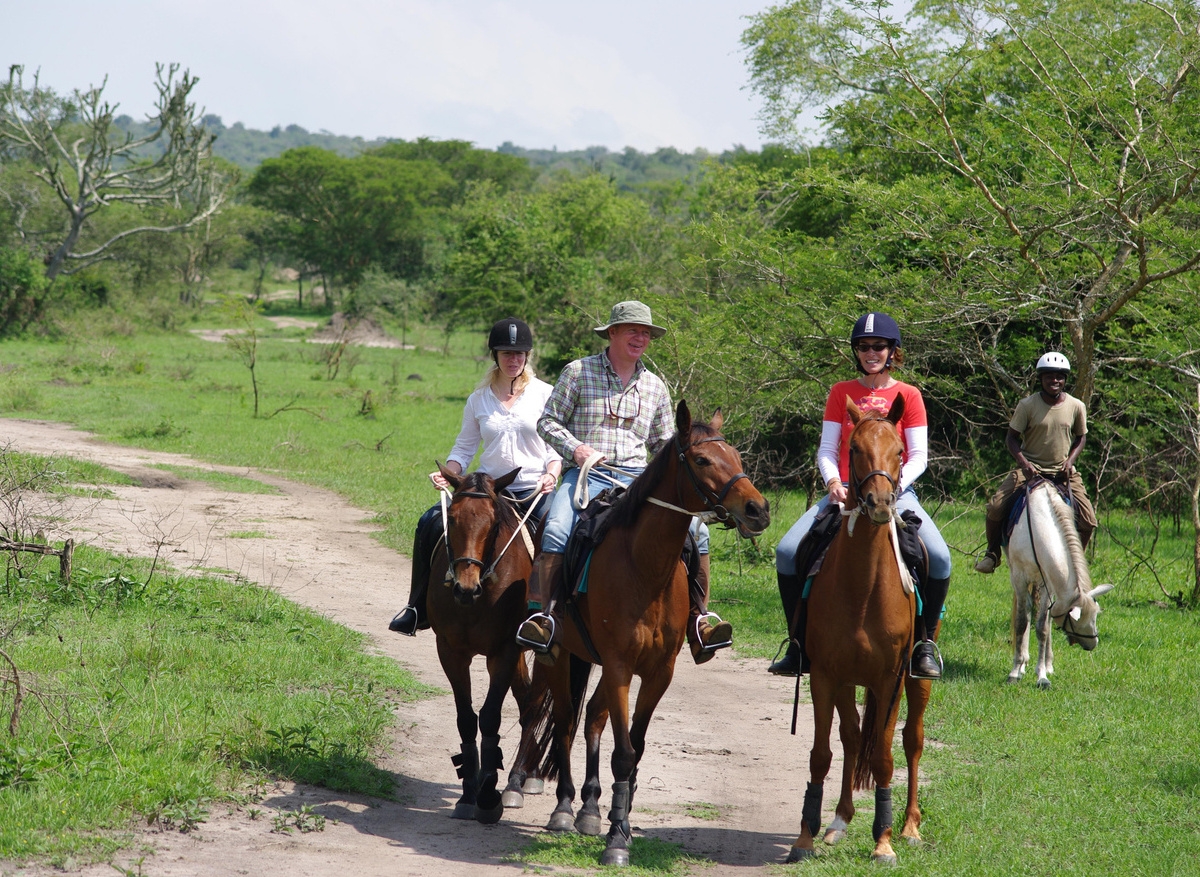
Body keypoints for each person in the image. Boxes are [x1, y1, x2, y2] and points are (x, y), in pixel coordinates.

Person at [514, 300, 733, 665]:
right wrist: (577, 449)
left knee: (700, 532)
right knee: (555, 528)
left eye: (646, 333)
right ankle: (546, 619)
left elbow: (663, 445)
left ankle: (700, 621)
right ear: (612, 332)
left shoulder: (655, 386)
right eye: (633, 330)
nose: (640, 338)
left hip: (638, 480)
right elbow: (547, 422)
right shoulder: (578, 372)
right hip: (587, 476)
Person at [769, 311, 952, 681]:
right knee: (787, 551)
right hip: (846, 493)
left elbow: (919, 456)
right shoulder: (841, 392)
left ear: (892, 350)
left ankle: (923, 645)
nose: (871, 352)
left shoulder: (909, 395)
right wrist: (833, 483)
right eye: (863, 346)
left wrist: (895, 488)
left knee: (940, 558)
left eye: (878, 346)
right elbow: (827, 449)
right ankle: (798, 644)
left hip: (897, 493)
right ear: (855, 351)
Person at [388, 317, 561, 635]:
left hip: (534, 489)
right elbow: (465, 448)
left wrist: (552, 473)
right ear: (495, 355)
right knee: (429, 522)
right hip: (488, 490)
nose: (513, 360)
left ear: (527, 356)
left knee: (559, 532)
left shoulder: (545, 395)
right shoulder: (478, 399)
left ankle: (551, 615)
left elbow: (554, 446)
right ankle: (416, 607)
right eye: (506, 353)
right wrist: (449, 472)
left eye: (519, 354)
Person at [974, 351, 1096, 574]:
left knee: (1088, 520)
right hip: (1031, 469)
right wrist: (1024, 464)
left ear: (1065, 379)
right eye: (1049, 376)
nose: (1054, 380)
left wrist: (1070, 461)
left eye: (1059, 376)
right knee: (996, 507)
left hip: (1062, 471)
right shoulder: (1027, 405)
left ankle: (1076, 563)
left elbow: (1081, 437)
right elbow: (1011, 438)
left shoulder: (1076, 406)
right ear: (1040, 378)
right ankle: (992, 553)